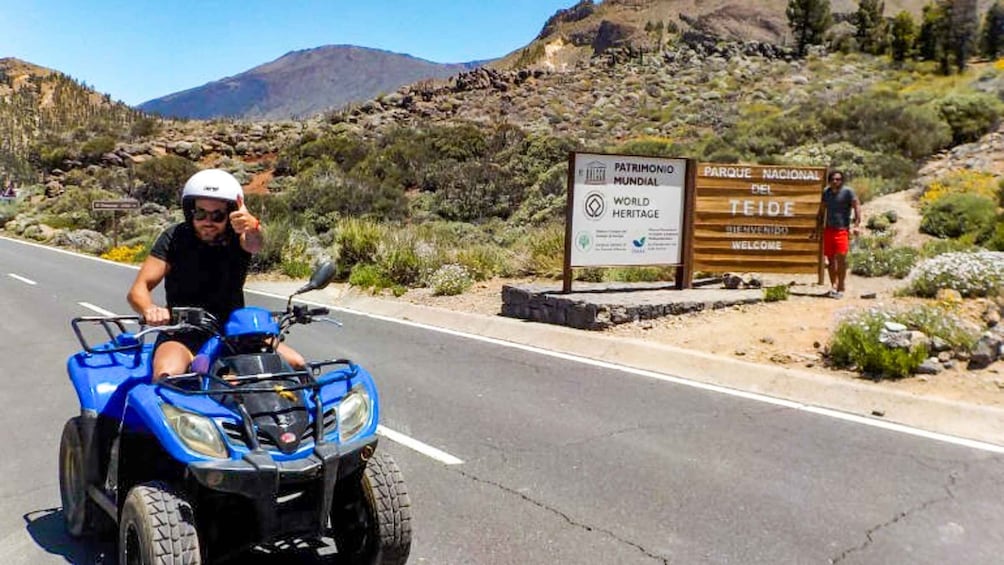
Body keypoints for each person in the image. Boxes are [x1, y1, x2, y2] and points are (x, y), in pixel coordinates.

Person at [127, 168, 305, 380]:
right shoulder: (174, 237)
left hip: (236, 332)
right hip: (182, 332)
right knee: (167, 373)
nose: (208, 221)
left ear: (229, 216)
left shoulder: (238, 238)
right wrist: (150, 310)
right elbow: (138, 289)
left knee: (296, 363)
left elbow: (254, 244)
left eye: (217, 215)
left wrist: (253, 226)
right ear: (190, 212)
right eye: (200, 213)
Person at [818, 170, 861, 299]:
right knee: (830, 260)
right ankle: (834, 285)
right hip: (829, 229)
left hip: (842, 230)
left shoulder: (848, 192)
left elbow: (856, 205)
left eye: (838, 179)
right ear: (829, 181)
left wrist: (857, 223)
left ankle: (841, 286)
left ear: (842, 181)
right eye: (833, 179)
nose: (835, 182)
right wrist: (818, 224)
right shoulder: (826, 192)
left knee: (841, 258)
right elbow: (822, 209)